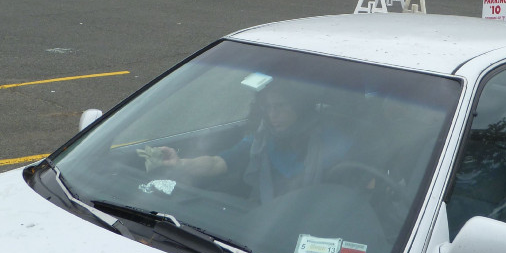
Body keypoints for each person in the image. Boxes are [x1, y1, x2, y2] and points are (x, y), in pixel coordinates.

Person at [141, 81, 352, 204]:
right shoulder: (261, 139)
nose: (272, 115)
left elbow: (354, 190)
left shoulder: (334, 142)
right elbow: (217, 163)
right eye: (268, 108)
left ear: (300, 107)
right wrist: (180, 164)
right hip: (265, 219)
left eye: (280, 106)